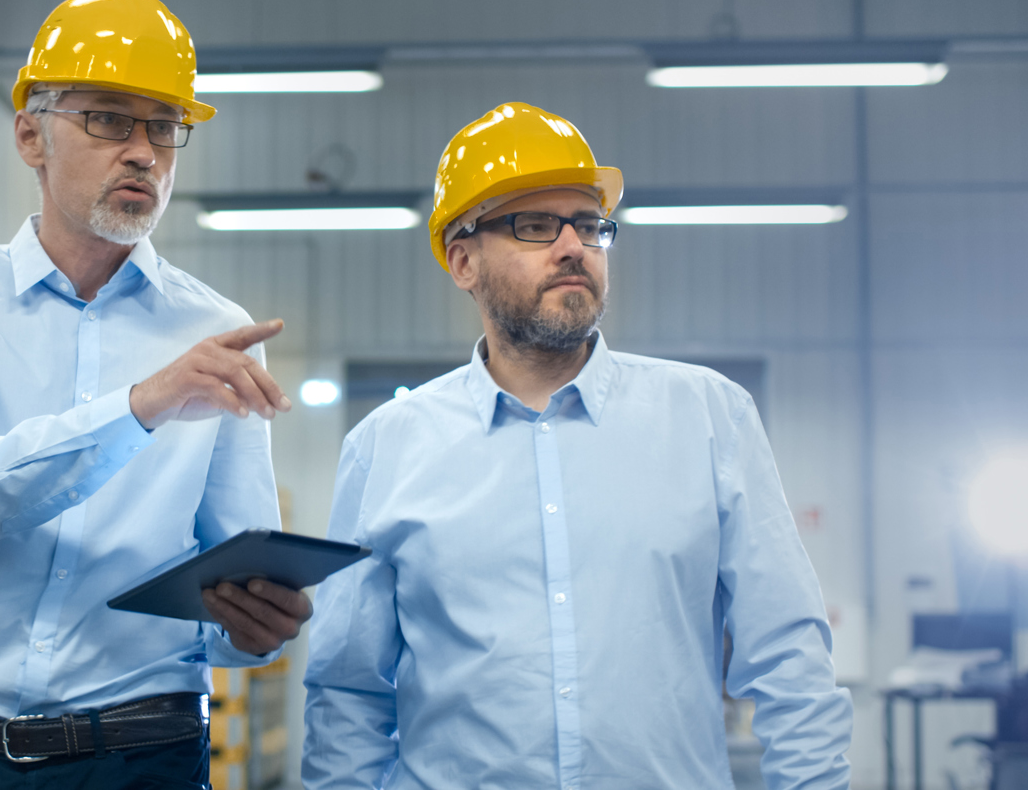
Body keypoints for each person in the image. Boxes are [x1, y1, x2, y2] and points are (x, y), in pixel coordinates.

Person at [302, 103, 853, 789]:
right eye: (535, 225)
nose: (573, 247)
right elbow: (347, 693)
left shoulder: (710, 418)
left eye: (589, 225)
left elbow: (788, 658)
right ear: (463, 261)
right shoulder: (387, 447)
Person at [0, 0, 312, 789]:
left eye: (164, 126)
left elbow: (232, 583)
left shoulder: (217, 330)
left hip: (147, 754)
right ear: (30, 136)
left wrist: (254, 629)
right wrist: (142, 405)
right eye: (110, 120)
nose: (144, 152)